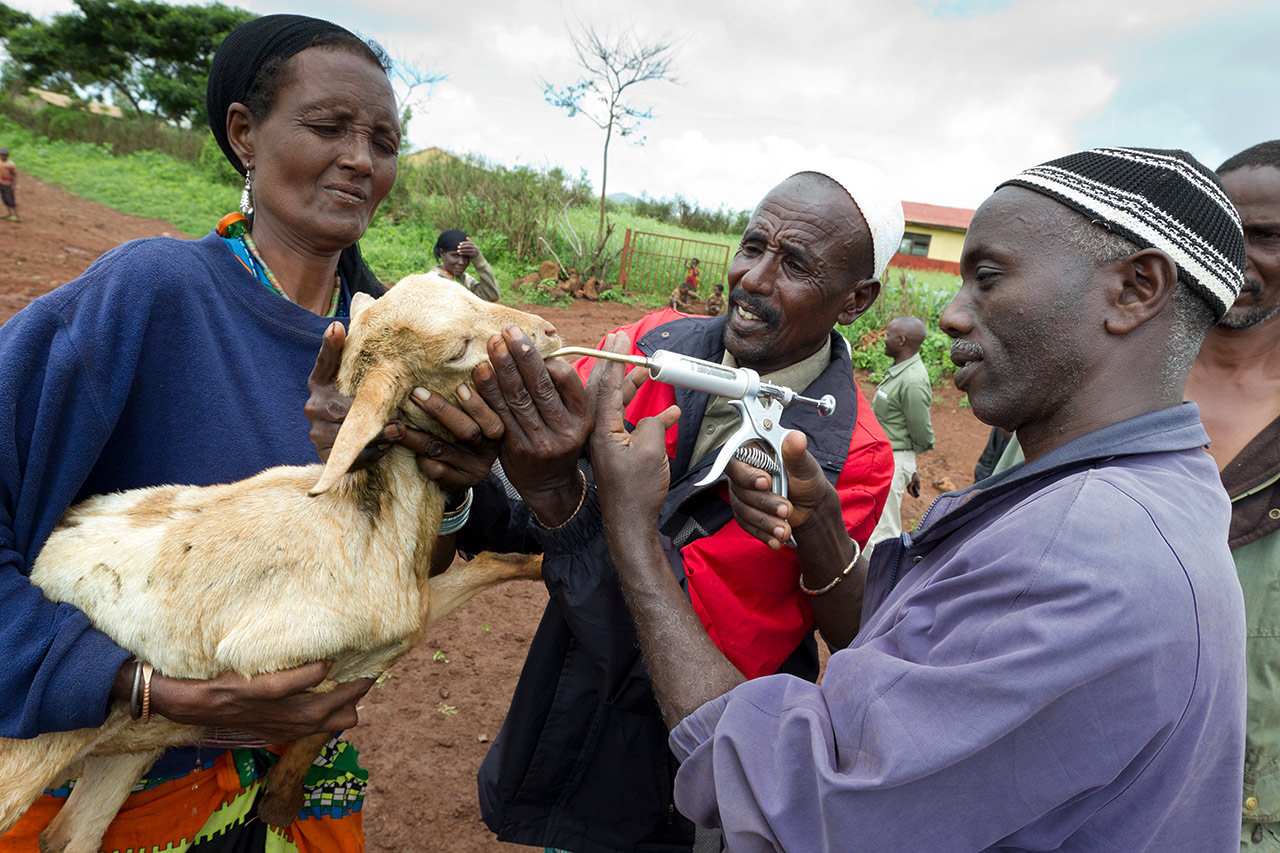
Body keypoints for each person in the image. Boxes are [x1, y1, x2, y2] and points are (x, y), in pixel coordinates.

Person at [585, 147, 1248, 850]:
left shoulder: (1083, 547)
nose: (953, 317)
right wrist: (821, 530)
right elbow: (931, 636)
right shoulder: (1154, 494)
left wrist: (631, 531)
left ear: (1136, 288)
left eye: (987, 279)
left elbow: (801, 795)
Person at [0, 14, 461, 851]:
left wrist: (456, 484)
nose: (361, 158)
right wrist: (140, 686)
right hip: (106, 789)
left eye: (383, 140)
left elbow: (420, 552)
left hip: (293, 792)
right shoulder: (150, 295)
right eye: (328, 127)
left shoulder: (397, 342)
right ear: (245, 134)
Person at [1185, 139, 1280, 849]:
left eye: (1268, 237)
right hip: (1084, 784)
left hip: (1247, 818)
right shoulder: (1093, 383)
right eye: (1219, 229)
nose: (1237, 257)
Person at [864, 316, 933, 556]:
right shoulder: (900, 371)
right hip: (887, 457)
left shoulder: (912, 380)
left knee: (882, 534)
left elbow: (920, 431)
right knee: (872, 525)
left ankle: (880, 589)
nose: (884, 339)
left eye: (888, 335)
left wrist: (906, 464)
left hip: (894, 461)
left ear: (901, 341)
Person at [432, 228, 500, 301]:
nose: (462, 262)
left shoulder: (466, 281)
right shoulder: (433, 282)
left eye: (466, 257)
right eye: (455, 256)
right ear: (442, 253)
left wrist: (479, 259)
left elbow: (491, 296)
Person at [0, 147, 18, 221]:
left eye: (5, 155)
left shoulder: (11, 164)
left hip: (8, 184)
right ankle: (9, 213)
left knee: (10, 199)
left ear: (7, 155)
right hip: (1, 183)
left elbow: (15, 174)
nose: (3, 156)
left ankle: (16, 215)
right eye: (2, 155)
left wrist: (14, 185)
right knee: (4, 199)